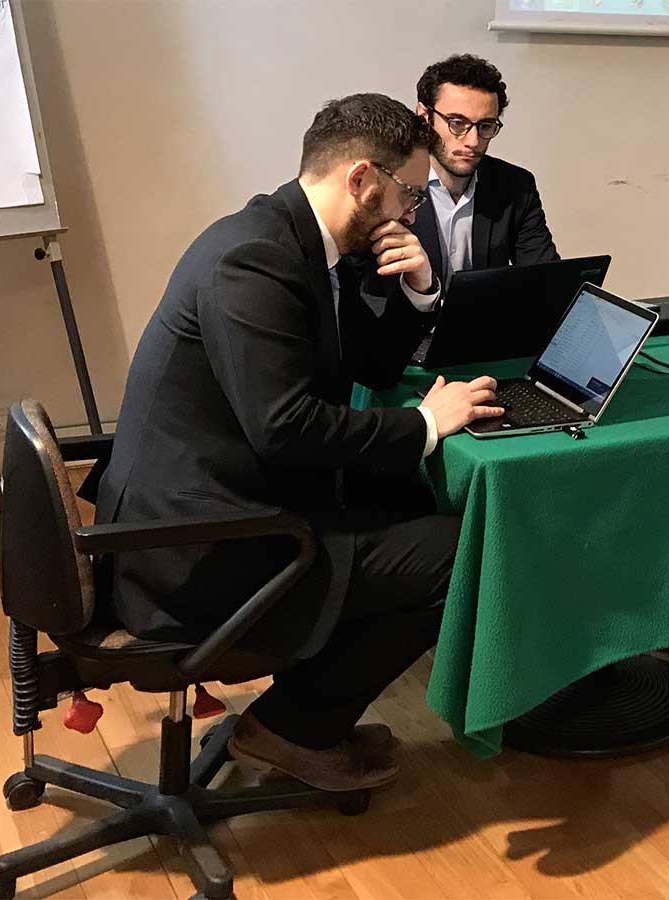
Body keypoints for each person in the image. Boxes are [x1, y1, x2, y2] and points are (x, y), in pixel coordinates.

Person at [95, 93, 503, 792]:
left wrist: (420, 289)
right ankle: (294, 728)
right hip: (199, 548)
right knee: (470, 551)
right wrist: (426, 424)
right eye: (409, 194)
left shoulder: (294, 240)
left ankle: (307, 711)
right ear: (362, 179)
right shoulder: (254, 260)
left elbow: (367, 370)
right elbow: (285, 428)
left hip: (224, 503)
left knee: (410, 503)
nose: (413, 212)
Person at [409, 53, 559, 284]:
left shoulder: (516, 186)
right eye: (457, 123)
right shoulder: (391, 183)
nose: (473, 141)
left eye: (486, 126)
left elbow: (546, 278)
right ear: (424, 116)